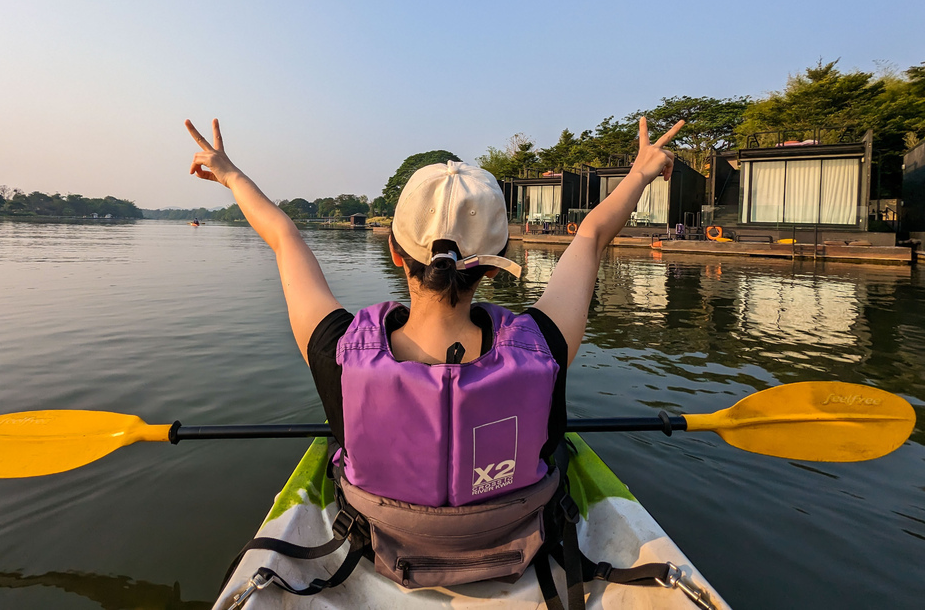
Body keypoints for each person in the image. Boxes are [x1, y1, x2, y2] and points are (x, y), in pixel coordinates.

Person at [185, 116, 683, 595]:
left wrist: (230, 174)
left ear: (396, 254)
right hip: (520, 539)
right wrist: (639, 173)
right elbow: (591, 237)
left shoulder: (339, 351)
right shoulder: (543, 346)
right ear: (492, 267)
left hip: (381, 543)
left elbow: (283, 237)